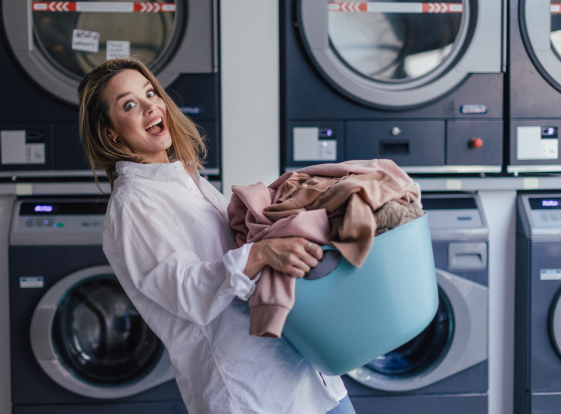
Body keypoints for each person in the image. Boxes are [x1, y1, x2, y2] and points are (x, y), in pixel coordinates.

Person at [78, 58, 356, 414]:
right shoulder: (134, 203)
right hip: (252, 394)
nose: (150, 106)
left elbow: (240, 249)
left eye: (150, 93)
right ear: (110, 132)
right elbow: (183, 290)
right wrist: (262, 254)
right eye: (129, 104)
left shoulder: (187, 181)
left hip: (303, 374)